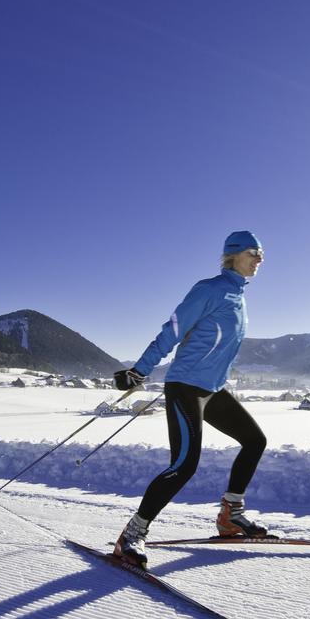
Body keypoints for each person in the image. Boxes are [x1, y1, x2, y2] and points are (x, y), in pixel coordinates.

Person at [112, 231, 269, 567]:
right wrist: (140, 370)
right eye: (255, 252)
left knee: (255, 440)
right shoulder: (209, 289)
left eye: (262, 253)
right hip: (185, 387)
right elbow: (173, 329)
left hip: (212, 389)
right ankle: (132, 534)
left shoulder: (238, 297)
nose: (260, 259)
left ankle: (231, 514)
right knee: (184, 465)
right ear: (234, 254)